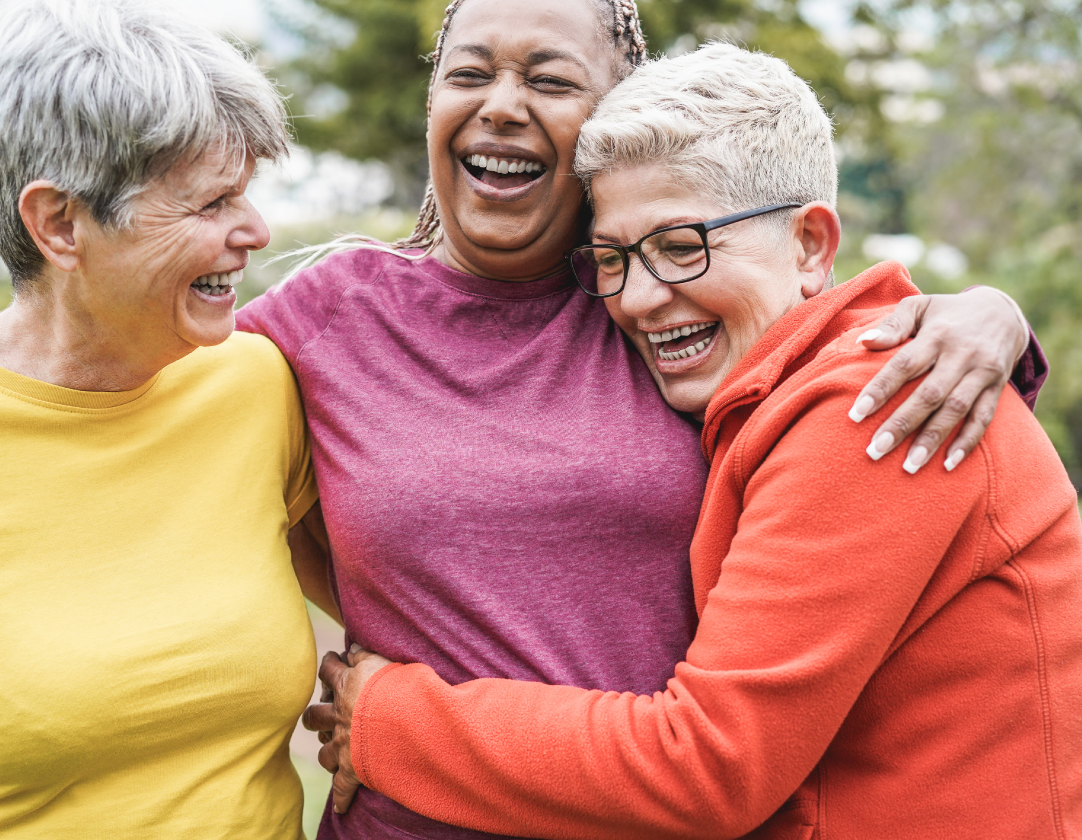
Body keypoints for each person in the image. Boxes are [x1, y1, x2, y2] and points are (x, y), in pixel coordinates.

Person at [237, 1, 1045, 838]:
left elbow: (828, 321)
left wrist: (989, 316)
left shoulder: (661, 312)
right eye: (468, 73)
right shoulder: (329, 321)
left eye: (549, 79)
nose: (503, 104)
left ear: (606, 118)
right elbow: (166, 423)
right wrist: (376, 598)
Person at [0, 1, 336, 838]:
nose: (256, 231)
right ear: (59, 223)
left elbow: (411, 620)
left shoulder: (258, 383)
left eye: (249, 193)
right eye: (211, 203)